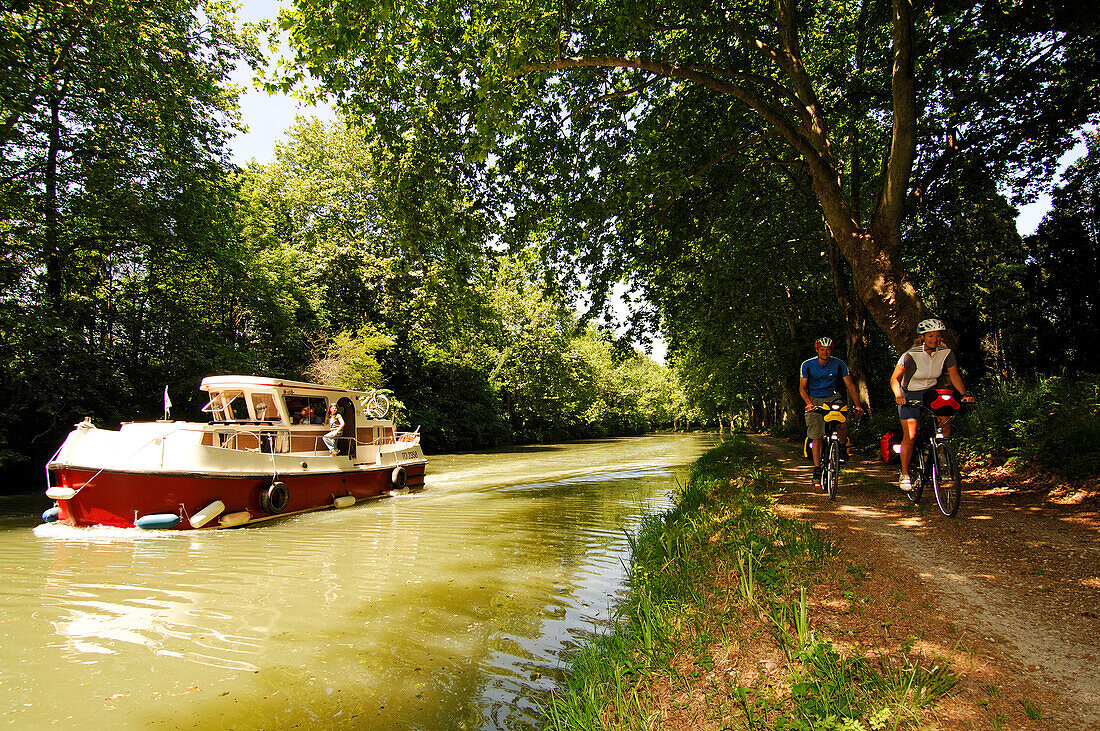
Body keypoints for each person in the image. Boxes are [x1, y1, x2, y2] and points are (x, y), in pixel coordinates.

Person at [889, 318, 974, 493]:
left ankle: (941, 455)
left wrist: (964, 395)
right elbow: (894, 379)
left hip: (930, 392)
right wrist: (899, 396)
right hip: (909, 393)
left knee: (945, 420)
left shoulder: (946, 353)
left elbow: (954, 376)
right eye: (930, 336)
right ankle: (905, 474)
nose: (934, 340)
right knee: (910, 436)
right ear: (922, 337)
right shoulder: (910, 355)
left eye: (937, 336)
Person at [799, 337, 863, 489]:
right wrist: (809, 403)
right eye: (822, 349)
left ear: (831, 350)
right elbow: (802, 388)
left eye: (828, 349)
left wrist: (857, 405)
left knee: (843, 422)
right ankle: (817, 469)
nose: (825, 352)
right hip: (814, 398)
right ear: (817, 350)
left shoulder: (839, 364)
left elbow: (850, 385)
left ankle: (840, 447)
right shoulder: (807, 365)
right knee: (817, 435)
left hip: (832, 397)